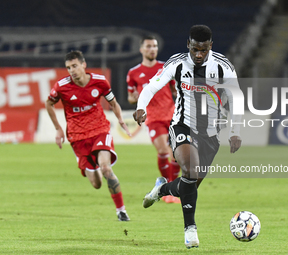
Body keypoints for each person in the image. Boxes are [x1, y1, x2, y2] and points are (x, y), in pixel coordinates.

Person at [133, 25, 242, 248]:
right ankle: (190, 231)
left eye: (203, 50)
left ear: (211, 46)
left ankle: (161, 189)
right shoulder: (177, 63)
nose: (198, 55)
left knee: (189, 186)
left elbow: (237, 99)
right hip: (183, 125)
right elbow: (151, 87)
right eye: (194, 49)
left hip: (211, 134)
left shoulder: (223, 66)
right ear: (188, 45)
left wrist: (235, 132)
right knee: (190, 171)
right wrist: (141, 107)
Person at [46, 50, 131, 221]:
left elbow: (113, 103)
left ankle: (121, 210)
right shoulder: (62, 86)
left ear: (83, 65)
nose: (72, 70)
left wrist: (121, 119)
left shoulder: (99, 82)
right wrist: (58, 128)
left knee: (106, 168)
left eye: (75, 66)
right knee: (97, 184)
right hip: (77, 136)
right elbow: (48, 103)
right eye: (69, 67)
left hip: (100, 130)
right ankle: (87, 163)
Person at [127, 35, 180, 204]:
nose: (152, 49)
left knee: (177, 154)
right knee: (164, 150)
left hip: (171, 115)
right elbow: (130, 97)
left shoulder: (165, 68)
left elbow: (174, 90)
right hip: (154, 118)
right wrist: (134, 98)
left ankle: (170, 189)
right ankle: (165, 189)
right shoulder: (133, 73)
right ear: (142, 49)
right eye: (149, 46)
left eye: (155, 46)